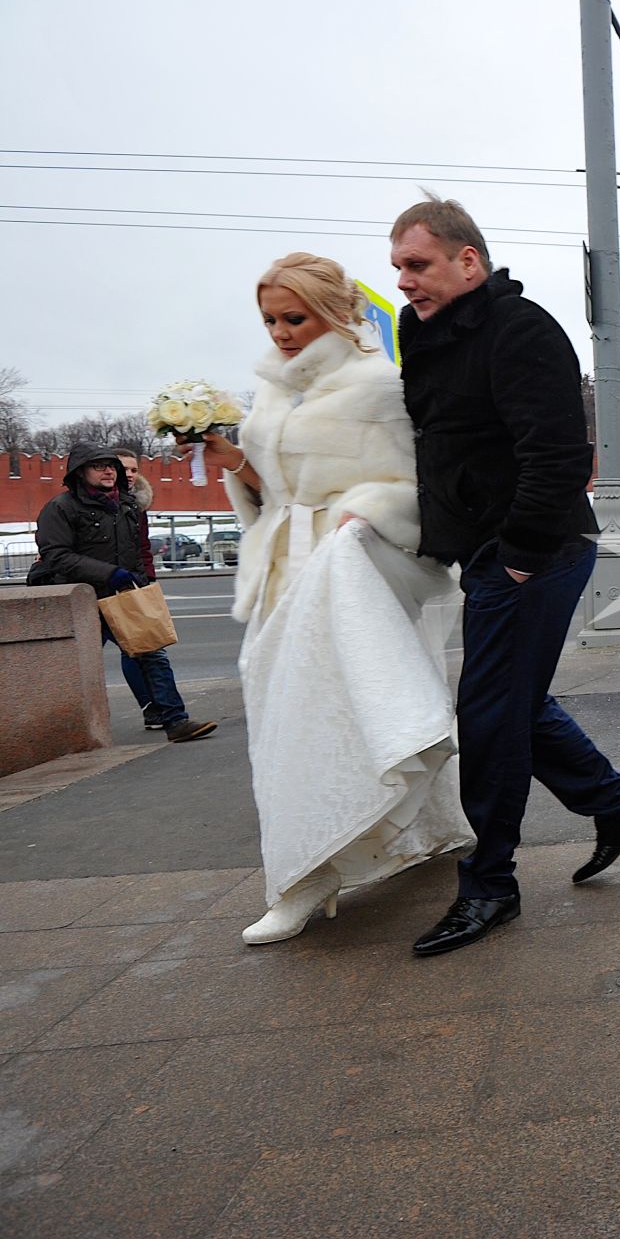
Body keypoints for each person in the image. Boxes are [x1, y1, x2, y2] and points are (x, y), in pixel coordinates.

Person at [390, 197, 620, 958]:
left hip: (532, 552)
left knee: (488, 718)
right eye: (399, 268)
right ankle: (618, 805)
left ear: (467, 260)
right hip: (485, 549)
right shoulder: (426, 335)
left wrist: (516, 552)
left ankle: (489, 887)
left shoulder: (520, 328)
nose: (405, 281)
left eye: (418, 264)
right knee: (513, 704)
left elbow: (557, 454)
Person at [202, 251, 474, 945]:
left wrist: (368, 511)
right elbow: (273, 490)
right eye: (270, 319)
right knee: (286, 716)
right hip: (281, 574)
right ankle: (429, 830)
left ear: (336, 311)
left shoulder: (379, 385)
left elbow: (416, 488)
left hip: (355, 572)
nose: (282, 332)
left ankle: (305, 878)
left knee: (330, 717)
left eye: (295, 316)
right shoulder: (271, 393)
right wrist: (234, 462)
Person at [28, 445, 216, 743]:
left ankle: (175, 721)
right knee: (72, 667)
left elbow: (136, 551)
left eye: (111, 466)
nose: (108, 471)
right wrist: (108, 573)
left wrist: (139, 581)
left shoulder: (126, 505)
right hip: (82, 599)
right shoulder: (61, 507)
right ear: (80, 472)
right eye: (98, 466)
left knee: (153, 654)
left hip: (122, 596)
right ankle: (51, 733)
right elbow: (56, 555)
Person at [110, 449, 167, 730]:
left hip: (130, 584)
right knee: (134, 649)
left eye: (134, 469)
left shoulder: (137, 504)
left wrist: (148, 582)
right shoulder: (94, 503)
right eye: (124, 469)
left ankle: (158, 710)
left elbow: (142, 548)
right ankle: (156, 710)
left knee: (139, 648)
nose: (130, 474)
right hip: (99, 586)